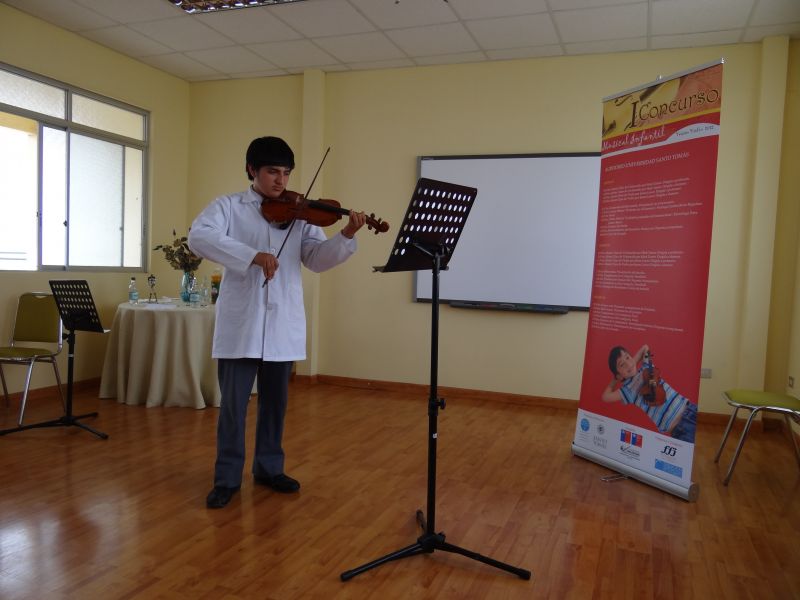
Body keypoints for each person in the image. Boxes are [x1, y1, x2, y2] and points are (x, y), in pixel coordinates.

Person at [188, 136, 366, 509]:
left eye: (285, 173)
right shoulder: (228, 207)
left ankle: (269, 469)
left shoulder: (300, 213)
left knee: (275, 405)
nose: (280, 181)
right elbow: (199, 237)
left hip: (282, 323)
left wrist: (346, 235)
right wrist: (252, 255)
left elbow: (316, 259)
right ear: (252, 170)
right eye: (272, 172)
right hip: (242, 325)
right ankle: (226, 478)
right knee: (233, 407)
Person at [601, 344, 697, 443]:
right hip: (678, 429)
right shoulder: (627, 391)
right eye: (622, 364)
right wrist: (616, 379)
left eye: (627, 357)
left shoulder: (646, 367)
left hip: (689, 408)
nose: (627, 363)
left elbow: (645, 348)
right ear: (619, 376)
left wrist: (632, 362)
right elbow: (605, 397)